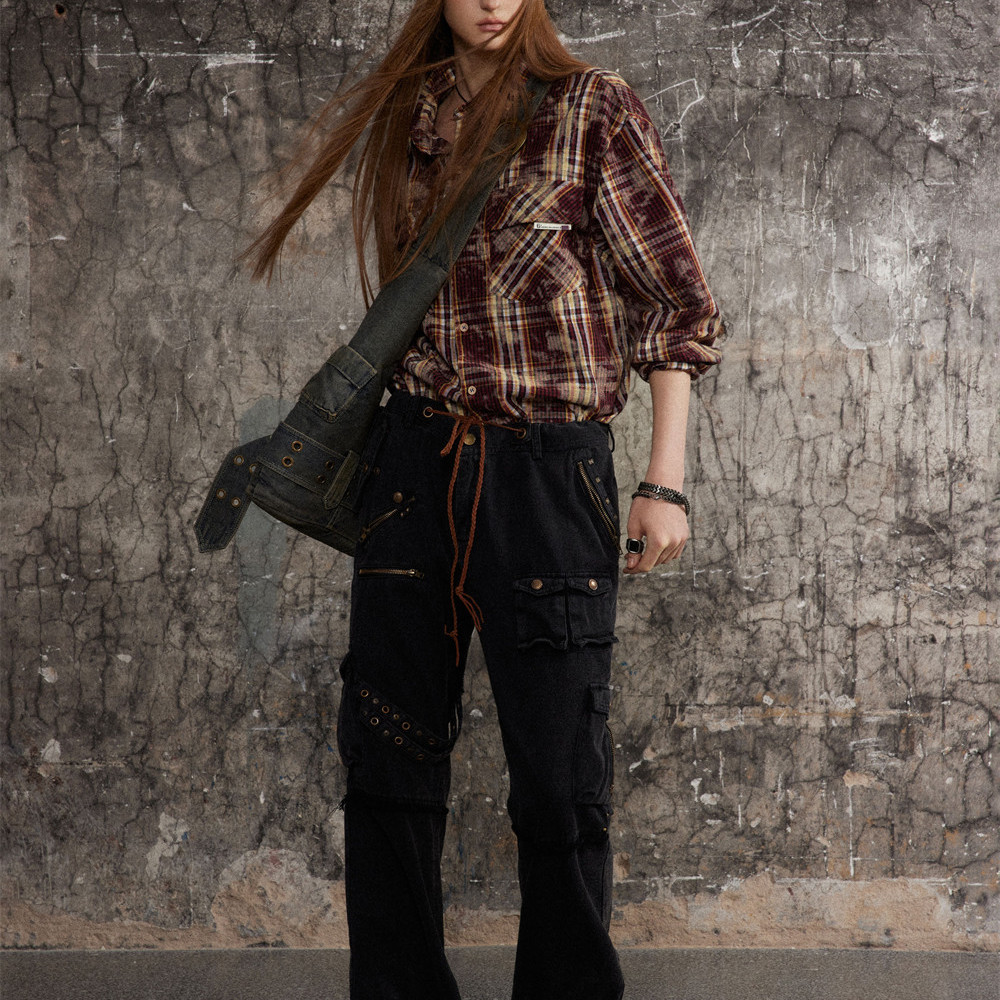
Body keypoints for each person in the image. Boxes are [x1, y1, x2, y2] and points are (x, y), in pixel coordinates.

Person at [242, 2, 723, 997]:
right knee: (387, 760)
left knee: (558, 776)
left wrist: (663, 482)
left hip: (546, 473)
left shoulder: (591, 108)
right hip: (413, 465)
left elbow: (673, 305)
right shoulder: (409, 118)